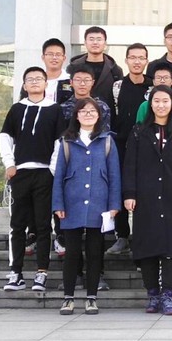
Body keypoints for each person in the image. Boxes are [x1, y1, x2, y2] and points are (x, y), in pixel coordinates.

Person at [123, 85, 172, 316]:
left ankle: (168, 295)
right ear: (150, 104)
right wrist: (130, 194)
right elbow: (130, 165)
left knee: (171, 247)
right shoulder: (138, 132)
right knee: (147, 246)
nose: (161, 105)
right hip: (146, 196)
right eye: (157, 101)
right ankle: (153, 294)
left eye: (165, 101)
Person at [0, 67, 66, 292]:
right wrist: (9, 164)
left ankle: (41, 273)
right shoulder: (17, 109)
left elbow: (60, 141)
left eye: (39, 79)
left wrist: (52, 170)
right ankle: (15, 273)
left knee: (43, 225)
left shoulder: (55, 109)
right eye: (30, 79)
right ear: (24, 85)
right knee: (17, 225)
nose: (35, 82)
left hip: (45, 173)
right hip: (20, 173)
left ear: (46, 83)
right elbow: (5, 137)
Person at [52, 98, 121, 315]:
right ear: (76, 115)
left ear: (99, 115)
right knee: (72, 253)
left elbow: (114, 175)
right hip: (71, 203)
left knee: (94, 252)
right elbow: (59, 175)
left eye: (92, 111)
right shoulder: (66, 141)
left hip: (99, 203)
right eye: (83, 111)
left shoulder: (107, 141)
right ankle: (68, 298)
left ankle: (91, 297)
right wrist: (58, 203)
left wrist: (114, 205)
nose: (88, 114)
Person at [21, 37, 73, 258]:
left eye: (58, 54)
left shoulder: (70, 82)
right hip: (36, 146)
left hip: (62, 142)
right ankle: (33, 232)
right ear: (43, 57)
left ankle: (61, 235)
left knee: (60, 188)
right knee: (34, 191)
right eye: (50, 54)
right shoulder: (33, 81)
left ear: (64, 57)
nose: (54, 57)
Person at [108, 43, 153, 256]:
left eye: (141, 58)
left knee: (145, 190)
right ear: (126, 60)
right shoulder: (117, 87)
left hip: (148, 147)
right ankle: (122, 235)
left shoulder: (152, 87)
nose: (137, 61)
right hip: (121, 144)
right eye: (133, 57)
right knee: (120, 188)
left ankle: (143, 236)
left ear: (146, 61)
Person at [69, 26, 123, 124]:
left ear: (105, 44)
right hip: (76, 118)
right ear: (85, 43)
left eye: (99, 39)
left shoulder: (115, 70)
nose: (95, 42)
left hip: (106, 119)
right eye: (91, 39)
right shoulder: (73, 67)